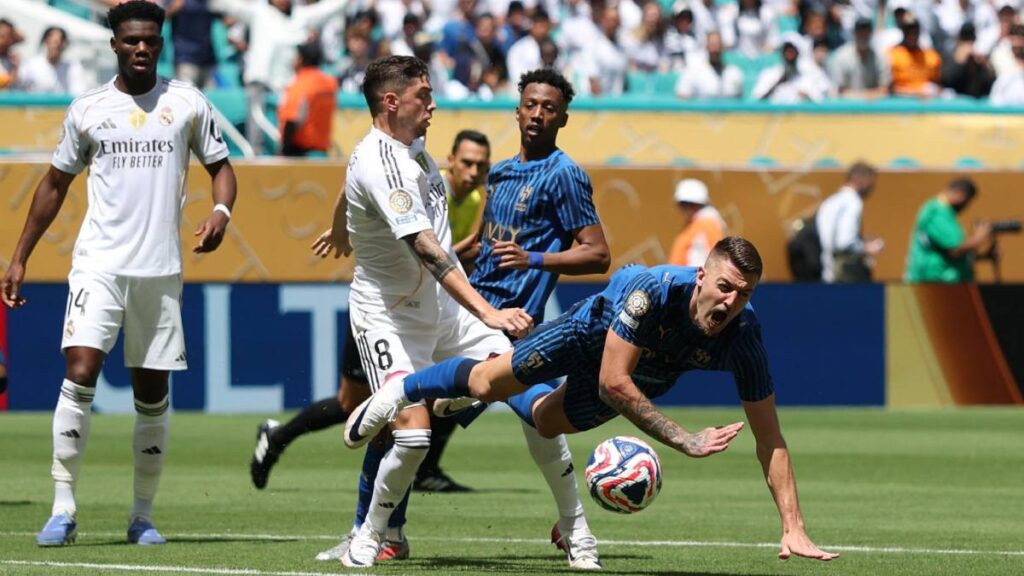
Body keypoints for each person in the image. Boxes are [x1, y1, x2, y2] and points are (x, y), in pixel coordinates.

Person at [347, 237, 839, 564]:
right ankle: (402, 389)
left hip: (641, 377)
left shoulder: (743, 336)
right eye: (725, 287)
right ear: (701, 277)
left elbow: (770, 437)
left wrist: (793, 525)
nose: (731, 302)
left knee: (546, 421)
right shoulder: (654, 291)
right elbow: (612, 383)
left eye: (744, 294)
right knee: (482, 383)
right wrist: (682, 439)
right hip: (590, 332)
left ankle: (481, 396)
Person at [308, 55, 597, 571]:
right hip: (391, 316)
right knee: (413, 436)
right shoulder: (382, 163)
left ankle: (578, 532)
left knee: (531, 393)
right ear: (392, 102)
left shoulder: (409, 147)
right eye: (424, 95)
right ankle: (370, 537)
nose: (434, 104)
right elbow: (427, 248)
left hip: (443, 308)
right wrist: (491, 313)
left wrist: (339, 227)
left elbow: (350, 182)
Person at [0, 0, 235, 547]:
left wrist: (222, 211)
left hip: (159, 270)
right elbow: (54, 184)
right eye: (131, 40)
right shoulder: (88, 108)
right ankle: (63, 508)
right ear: (114, 45)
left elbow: (221, 168)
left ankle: (142, 515)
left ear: (161, 43)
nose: (141, 48)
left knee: (151, 392)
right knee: (80, 370)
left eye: (150, 40)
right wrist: (20, 256)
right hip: (99, 265)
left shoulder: (187, 102)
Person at [250, 129, 495, 498]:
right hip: (384, 305)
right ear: (451, 161)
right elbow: (421, 250)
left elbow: (448, 254)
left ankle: (425, 470)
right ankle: (278, 436)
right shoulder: (428, 186)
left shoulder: (475, 199)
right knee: (350, 402)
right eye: (467, 163)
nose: (474, 172)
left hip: (427, 308)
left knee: (447, 388)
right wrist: (339, 229)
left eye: (482, 166)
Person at [905, 178, 993, 283]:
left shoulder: (945, 213)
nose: (965, 207)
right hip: (933, 283)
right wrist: (979, 237)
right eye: (966, 202)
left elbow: (950, 255)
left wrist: (985, 256)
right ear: (960, 194)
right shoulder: (937, 211)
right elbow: (955, 249)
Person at [814, 162, 883, 283]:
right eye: (871, 180)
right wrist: (867, 248)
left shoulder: (830, 201)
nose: (872, 186)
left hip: (826, 272)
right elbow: (844, 243)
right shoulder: (853, 202)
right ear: (860, 179)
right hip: (844, 276)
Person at [277, 42, 338, 157]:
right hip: (321, 153)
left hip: (300, 153)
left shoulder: (300, 84)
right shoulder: (330, 83)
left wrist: (284, 150)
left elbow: (291, 119)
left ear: (300, 59)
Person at [667, 178, 728, 267]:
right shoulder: (697, 222)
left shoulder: (708, 223)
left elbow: (717, 258)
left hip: (693, 274)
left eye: (684, 204)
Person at [828, 18, 890, 100]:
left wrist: (864, 97)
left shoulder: (880, 57)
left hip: (873, 105)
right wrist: (866, 96)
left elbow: (884, 90)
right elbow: (841, 90)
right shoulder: (840, 56)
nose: (863, 34)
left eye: (866, 31)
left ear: (871, 33)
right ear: (854, 33)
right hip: (847, 105)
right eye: (860, 31)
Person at [16, 27, 90, 95]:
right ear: (45, 41)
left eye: (59, 42)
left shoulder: (73, 67)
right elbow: (18, 84)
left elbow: (79, 91)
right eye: (53, 42)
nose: (55, 46)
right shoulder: (30, 65)